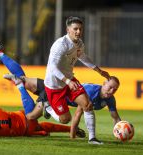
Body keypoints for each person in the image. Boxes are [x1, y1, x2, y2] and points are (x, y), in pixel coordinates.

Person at [44, 16, 110, 144]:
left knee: (87, 105)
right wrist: (67, 82)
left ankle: (92, 138)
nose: (78, 32)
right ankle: (48, 108)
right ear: (68, 30)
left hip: (69, 79)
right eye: (75, 29)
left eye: (80, 29)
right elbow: (52, 68)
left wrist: (99, 70)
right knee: (65, 119)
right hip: (55, 85)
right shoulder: (60, 45)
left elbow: (82, 57)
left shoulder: (79, 43)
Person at [0, 75, 85, 137]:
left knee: (42, 128)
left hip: (26, 129)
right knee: (36, 120)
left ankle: (56, 128)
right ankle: (20, 84)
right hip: (23, 116)